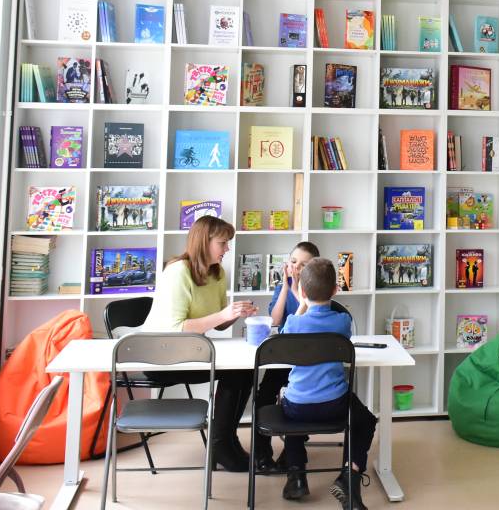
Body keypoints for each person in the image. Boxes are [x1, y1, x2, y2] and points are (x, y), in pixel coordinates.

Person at [141, 216, 257, 472]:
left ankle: (225, 441)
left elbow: (218, 324)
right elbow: (176, 328)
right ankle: (222, 444)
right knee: (236, 374)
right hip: (161, 357)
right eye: (222, 243)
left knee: (245, 371)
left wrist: (235, 314)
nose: (227, 248)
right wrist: (223, 314)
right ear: (204, 242)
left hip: (190, 352)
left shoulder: (217, 273)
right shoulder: (177, 272)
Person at [279, 258, 376, 508]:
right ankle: (350, 476)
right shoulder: (342, 322)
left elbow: (282, 340)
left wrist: (301, 305)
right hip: (335, 405)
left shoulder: (293, 324)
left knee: (290, 414)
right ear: (335, 290)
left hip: (298, 407)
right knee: (365, 421)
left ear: (302, 291)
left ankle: (296, 477)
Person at [252, 240, 320, 472]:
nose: (297, 268)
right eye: (293, 262)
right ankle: (262, 451)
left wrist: (298, 290)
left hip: (307, 360)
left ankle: (293, 451)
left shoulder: (316, 289)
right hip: (283, 354)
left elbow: (309, 315)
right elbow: (275, 320)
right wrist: (285, 287)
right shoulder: (284, 286)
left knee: (299, 396)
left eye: (303, 265)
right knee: (264, 394)